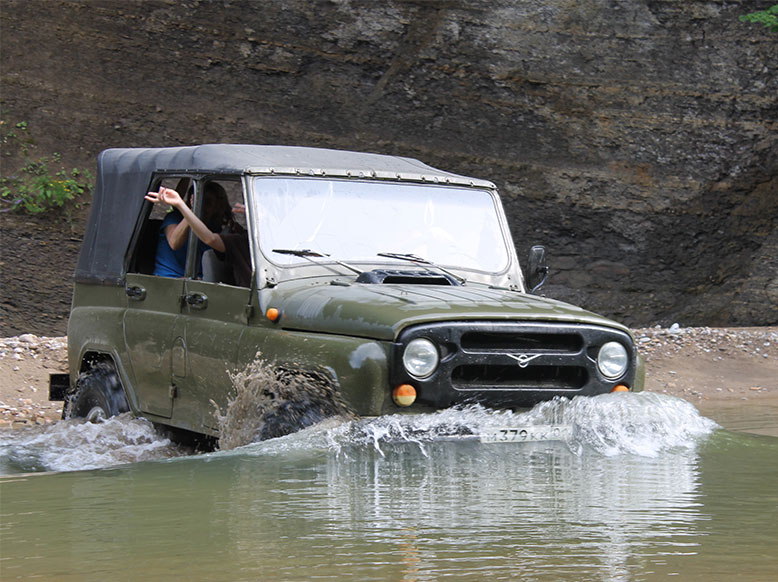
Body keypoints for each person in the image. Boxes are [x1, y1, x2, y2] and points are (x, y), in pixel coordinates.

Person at [145, 183, 251, 287]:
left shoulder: (217, 227)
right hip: (168, 281)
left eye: (208, 203)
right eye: (201, 202)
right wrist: (192, 211)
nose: (204, 208)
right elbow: (174, 243)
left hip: (199, 283)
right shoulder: (175, 217)